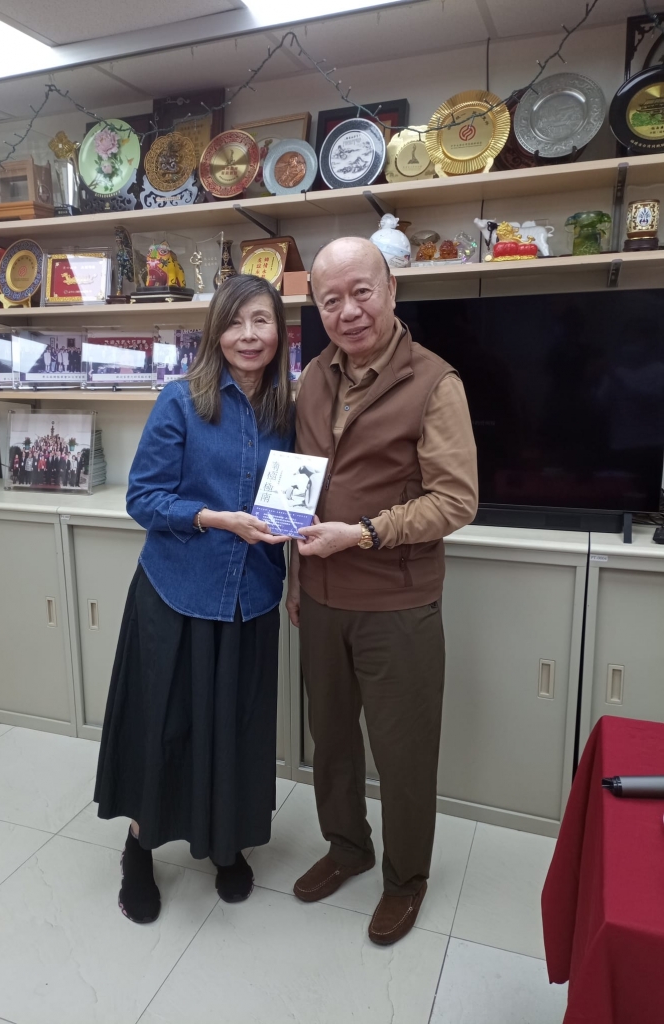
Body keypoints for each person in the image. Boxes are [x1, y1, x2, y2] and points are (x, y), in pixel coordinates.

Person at [287, 237, 478, 946]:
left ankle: (405, 878)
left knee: (402, 753)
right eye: (331, 299)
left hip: (397, 604)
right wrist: (296, 578)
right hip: (319, 598)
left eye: (361, 291)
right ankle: (347, 847)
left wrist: (363, 533)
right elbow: (300, 488)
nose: (348, 311)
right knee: (331, 742)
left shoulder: (435, 382)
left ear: (391, 289)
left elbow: (455, 501)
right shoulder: (311, 377)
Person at [95, 274, 295, 925]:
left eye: (261, 321)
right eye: (235, 322)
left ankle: (225, 845)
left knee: (237, 730)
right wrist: (214, 518)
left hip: (251, 597)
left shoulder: (287, 411)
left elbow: (292, 503)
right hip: (176, 594)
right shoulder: (181, 400)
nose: (248, 335)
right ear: (216, 332)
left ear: (279, 330)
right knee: (164, 728)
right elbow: (143, 499)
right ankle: (139, 847)